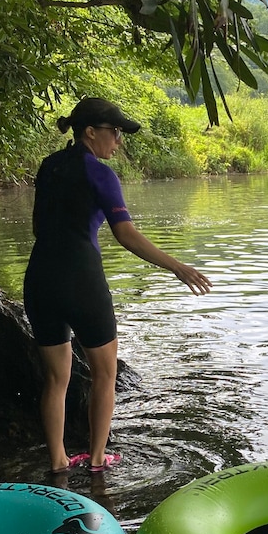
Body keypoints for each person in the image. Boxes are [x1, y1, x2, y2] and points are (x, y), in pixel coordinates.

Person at [23, 97, 212, 475]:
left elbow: (39, 227)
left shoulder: (48, 167)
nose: (118, 141)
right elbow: (125, 234)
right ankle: (96, 459)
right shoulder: (101, 174)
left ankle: (58, 462)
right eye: (114, 132)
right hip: (82, 281)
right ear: (90, 132)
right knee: (104, 374)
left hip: (39, 279)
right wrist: (176, 266)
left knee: (57, 378)